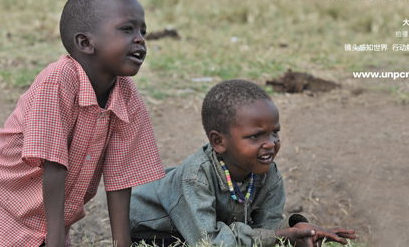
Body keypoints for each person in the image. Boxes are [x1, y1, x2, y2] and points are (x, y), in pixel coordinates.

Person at [0, 0, 165, 247]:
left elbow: (120, 179)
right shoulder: (58, 79)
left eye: (142, 32)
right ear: (85, 43)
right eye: (127, 29)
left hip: (45, 213)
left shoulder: (127, 95)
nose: (140, 39)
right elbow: (54, 164)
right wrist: (56, 242)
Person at [130, 80, 356, 247]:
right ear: (219, 142)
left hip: (197, 229)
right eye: (255, 136)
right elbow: (208, 242)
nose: (270, 144)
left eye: (275, 132)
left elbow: (267, 231)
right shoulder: (196, 176)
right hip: (149, 231)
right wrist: (282, 236)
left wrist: (297, 233)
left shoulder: (269, 175)